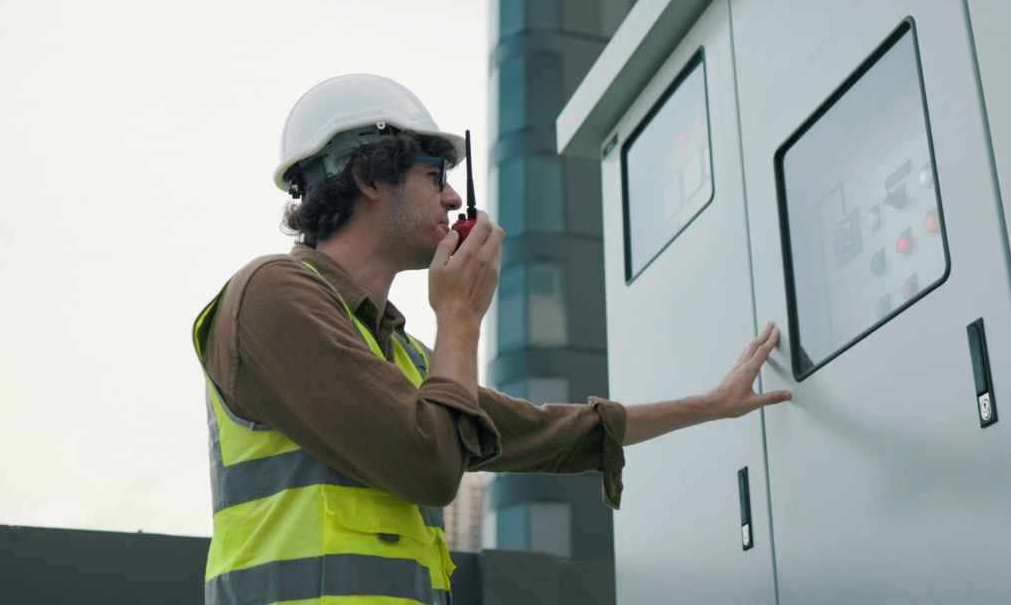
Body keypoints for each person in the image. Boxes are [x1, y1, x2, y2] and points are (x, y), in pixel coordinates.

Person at [191, 73, 792, 605]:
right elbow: (429, 464)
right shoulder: (271, 297)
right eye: (434, 177)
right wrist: (459, 317)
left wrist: (711, 406)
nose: (454, 199)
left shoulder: (396, 353)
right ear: (370, 178)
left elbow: (547, 430)